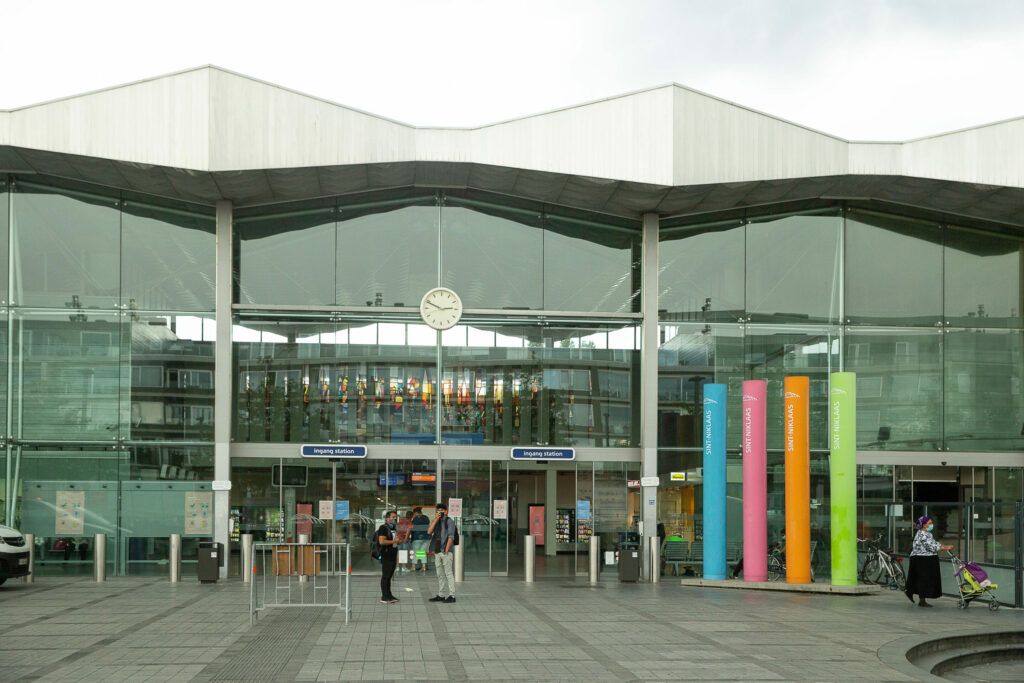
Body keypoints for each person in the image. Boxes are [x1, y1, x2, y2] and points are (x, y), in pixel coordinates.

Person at [905, 516, 952, 608]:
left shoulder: (928, 534)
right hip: (921, 559)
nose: (931, 525)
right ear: (924, 525)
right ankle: (921, 600)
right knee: (923, 579)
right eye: (929, 523)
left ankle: (917, 596)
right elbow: (930, 546)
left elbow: (933, 543)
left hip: (928, 558)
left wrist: (942, 545)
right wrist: (944, 548)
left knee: (925, 579)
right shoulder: (922, 534)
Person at [427, 502, 457, 603]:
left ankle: (452, 595)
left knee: (448, 573)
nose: (440, 512)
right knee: (440, 574)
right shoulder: (437, 521)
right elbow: (429, 532)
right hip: (437, 551)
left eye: (442, 511)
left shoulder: (449, 521)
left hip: (445, 551)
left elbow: (451, 536)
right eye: (438, 511)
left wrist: (446, 550)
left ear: (446, 511)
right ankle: (441, 594)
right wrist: (435, 519)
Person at [376, 510, 401, 605]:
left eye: (395, 517)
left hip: (393, 554)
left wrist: (399, 541)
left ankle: (389, 595)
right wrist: (394, 541)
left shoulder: (394, 528)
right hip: (386, 555)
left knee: (390, 575)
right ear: (387, 518)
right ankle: (384, 596)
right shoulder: (383, 528)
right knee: (386, 576)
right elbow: (382, 541)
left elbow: (395, 540)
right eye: (393, 517)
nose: (395, 519)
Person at [411, 506, 431, 572]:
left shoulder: (415, 519)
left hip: (417, 537)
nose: (414, 515)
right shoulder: (426, 518)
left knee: (415, 552)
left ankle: (413, 567)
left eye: (415, 513)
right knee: (421, 552)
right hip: (427, 537)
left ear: (416, 513)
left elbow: (412, 528)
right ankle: (423, 567)